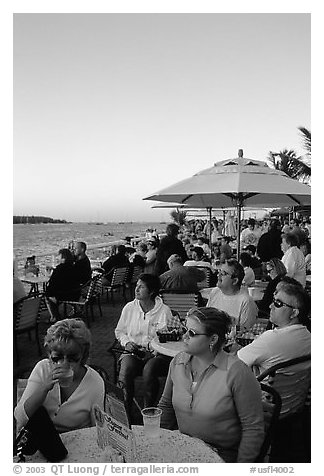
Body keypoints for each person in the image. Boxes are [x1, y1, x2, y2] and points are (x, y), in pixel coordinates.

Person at [158, 307, 264, 463]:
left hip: (221, 455)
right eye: (186, 330)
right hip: (182, 447)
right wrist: (155, 444)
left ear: (213, 340)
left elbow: (253, 428)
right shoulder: (178, 361)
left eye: (192, 333)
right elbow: (166, 406)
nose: (184, 336)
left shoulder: (237, 372)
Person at [14, 318, 105, 433]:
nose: (64, 364)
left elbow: (98, 430)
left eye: (72, 358)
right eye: (57, 357)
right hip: (41, 440)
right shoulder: (43, 369)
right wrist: (43, 389)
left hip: (75, 441)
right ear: (49, 355)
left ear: (83, 357)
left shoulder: (95, 382)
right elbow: (20, 418)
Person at [115, 273, 181, 418]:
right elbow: (120, 331)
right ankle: (125, 412)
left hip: (158, 355)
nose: (136, 289)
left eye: (141, 287)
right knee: (126, 369)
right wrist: (127, 343)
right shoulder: (129, 308)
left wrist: (153, 348)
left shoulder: (164, 311)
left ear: (151, 292)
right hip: (133, 352)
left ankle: (149, 411)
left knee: (149, 369)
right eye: (136, 285)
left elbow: (169, 338)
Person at [238, 281, 311, 376]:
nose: (270, 306)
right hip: (295, 390)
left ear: (294, 313)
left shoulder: (270, 339)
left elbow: (234, 364)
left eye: (278, 303)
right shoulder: (308, 337)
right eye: (273, 300)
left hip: (261, 389)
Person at [203, 259, 258, 332]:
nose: (218, 275)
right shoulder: (215, 292)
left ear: (235, 281)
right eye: (219, 271)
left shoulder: (246, 301)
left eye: (223, 273)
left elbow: (246, 333)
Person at [45, 249, 81, 323]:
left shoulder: (59, 269)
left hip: (65, 295)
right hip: (75, 294)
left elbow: (52, 284)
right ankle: (73, 310)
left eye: (59, 256)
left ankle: (54, 317)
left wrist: (48, 292)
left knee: (48, 296)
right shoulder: (74, 267)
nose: (57, 258)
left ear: (63, 258)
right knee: (52, 293)